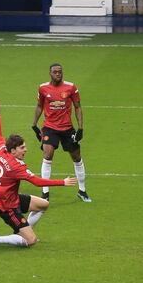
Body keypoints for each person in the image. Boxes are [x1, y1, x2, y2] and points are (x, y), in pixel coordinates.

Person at [0, 95, 77, 248]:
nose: (25, 150)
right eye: (22, 148)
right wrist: (63, 182)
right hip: (7, 207)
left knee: (44, 205)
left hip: (11, 197)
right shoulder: (16, 167)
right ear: (13, 150)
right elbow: (37, 181)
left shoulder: (3, 150)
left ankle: (25, 230)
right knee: (31, 241)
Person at [31, 63, 91, 202]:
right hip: (50, 128)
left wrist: (80, 128)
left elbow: (78, 107)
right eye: (55, 72)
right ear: (50, 73)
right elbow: (40, 106)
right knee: (48, 154)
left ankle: (82, 190)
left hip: (67, 128)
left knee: (76, 157)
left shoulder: (71, 87)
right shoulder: (43, 88)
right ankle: (45, 193)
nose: (58, 74)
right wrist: (34, 124)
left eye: (60, 72)